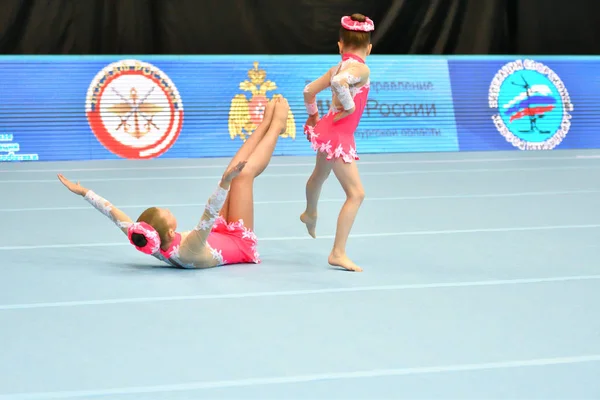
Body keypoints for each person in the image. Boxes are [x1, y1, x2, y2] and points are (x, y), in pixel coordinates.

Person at [57, 97, 291, 269]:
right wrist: (225, 182)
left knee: (231, 174)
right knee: (242, 175)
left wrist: (84, 192)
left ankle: (263, 126)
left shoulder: (151, 241)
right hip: (239, 244)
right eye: (166, 213)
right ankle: (276, 127)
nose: (169, 210)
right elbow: (209, 213)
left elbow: (116, 216)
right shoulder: (189, 247)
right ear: (170, 230)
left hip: (220, 233)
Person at [300, 13, 374, 272]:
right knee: (356, 194)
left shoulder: (338, 66)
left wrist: (313, 114)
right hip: (339, 136)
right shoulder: (361, 69)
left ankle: (310, 212)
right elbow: (340, 83)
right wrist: (350, 105)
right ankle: (337, 252)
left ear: (340, 45)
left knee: (319, 176)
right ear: (369, 48)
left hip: (329, 130)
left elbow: (308, 90)